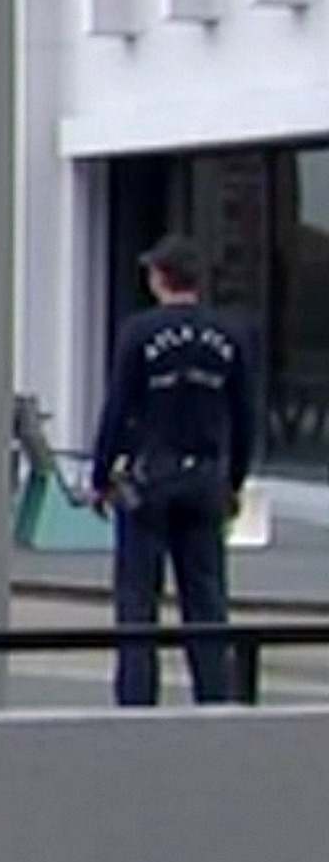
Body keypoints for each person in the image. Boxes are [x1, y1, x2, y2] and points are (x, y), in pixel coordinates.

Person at [88, 234, 259, 707]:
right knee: (206, 601)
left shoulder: (139, 333)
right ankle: (215, 699)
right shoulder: (231, 333)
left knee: (138, 602)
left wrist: (101, 476)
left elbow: (119, 408)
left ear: (159, 278)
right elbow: (245, 414)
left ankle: (137, 705)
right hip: (205, 475)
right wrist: (234, 481)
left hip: (151, 477)